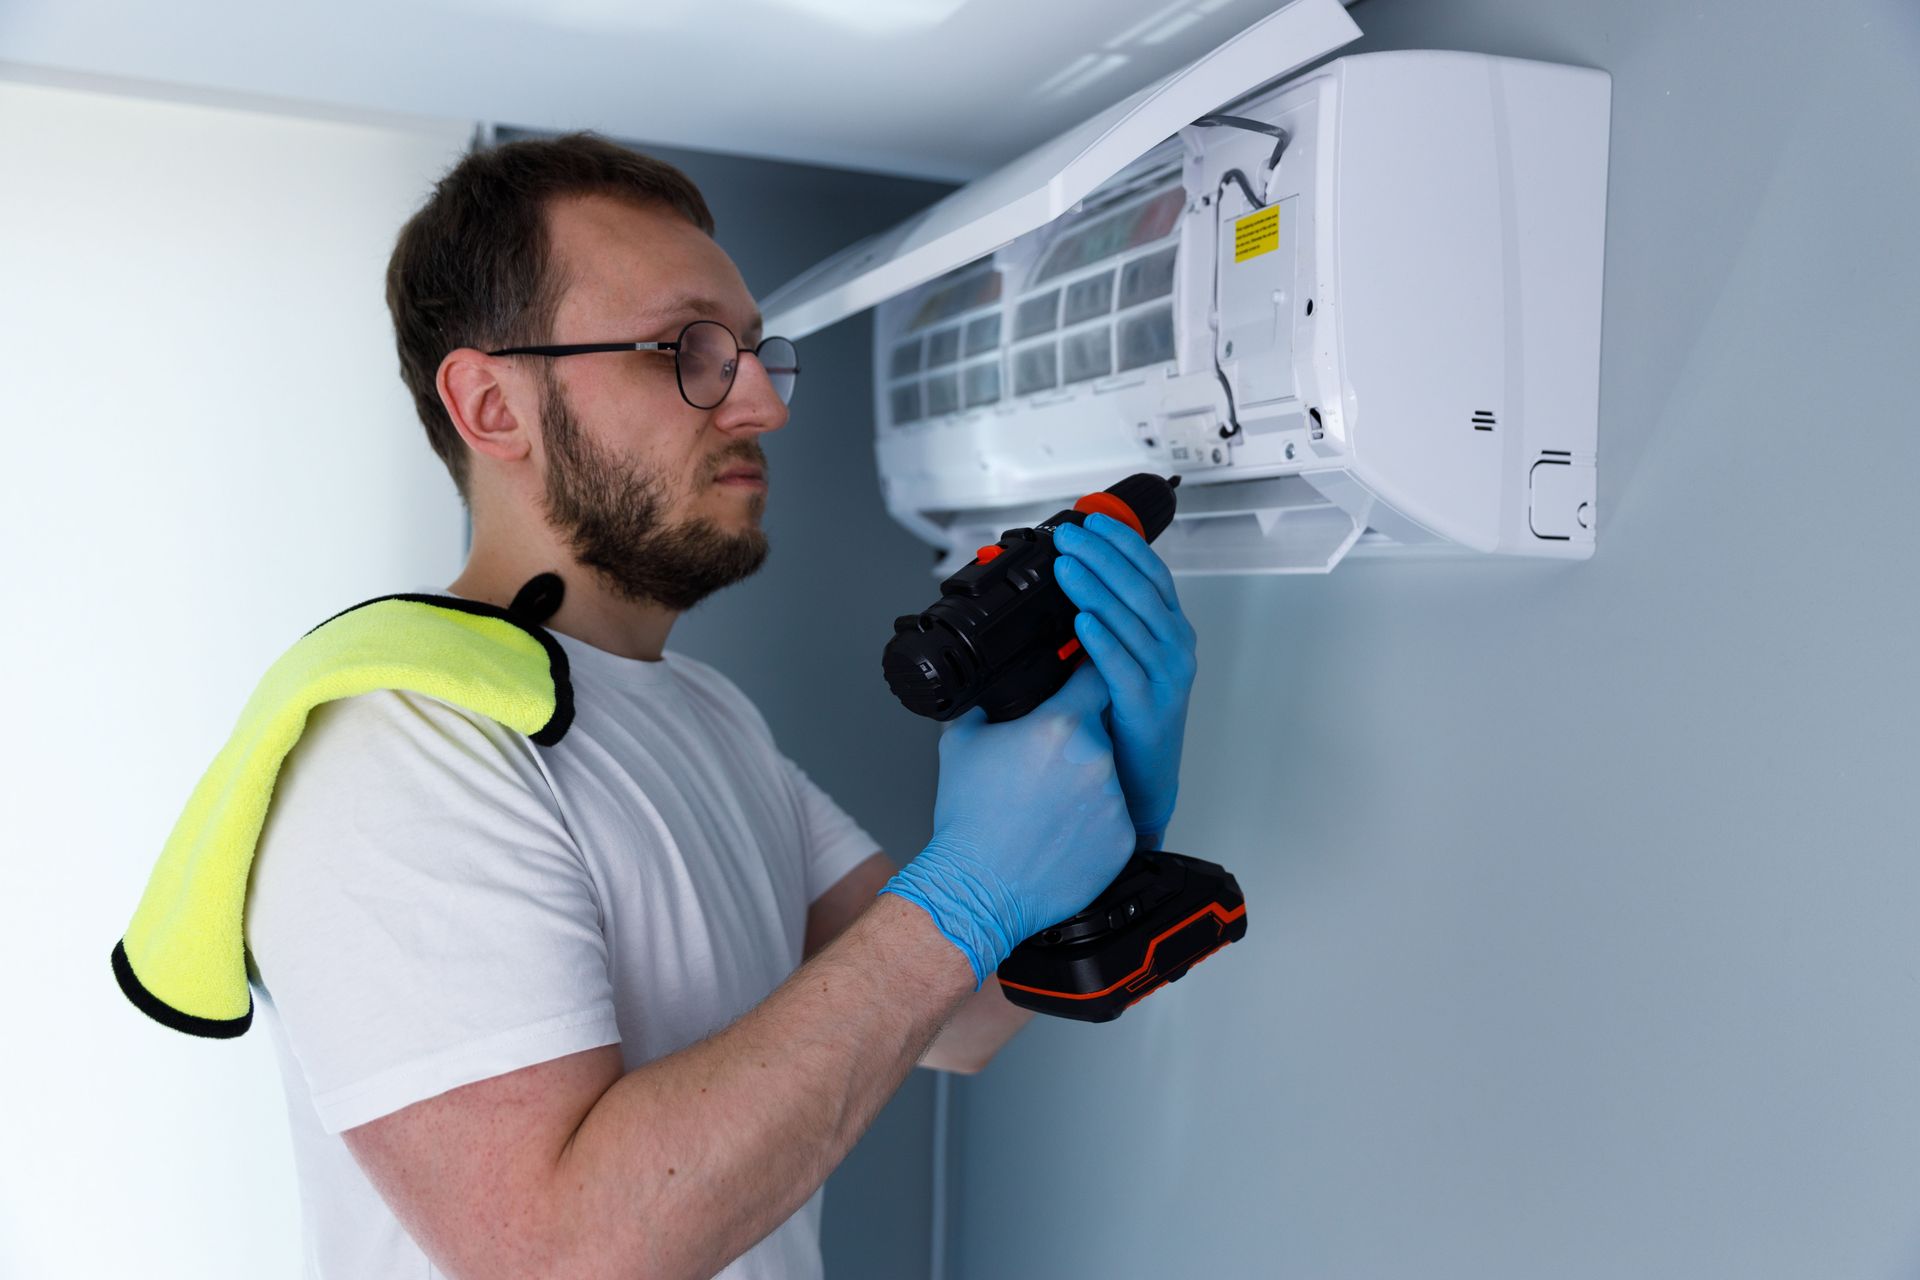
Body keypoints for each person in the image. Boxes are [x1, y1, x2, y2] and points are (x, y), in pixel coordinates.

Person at [245, 132, 1198, 1280]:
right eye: (686, 348)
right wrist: (964, 887)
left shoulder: (704, 713)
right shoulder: (403, 747)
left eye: (752, 350)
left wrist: (1104, 803)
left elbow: (961, 1013)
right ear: (492, 404)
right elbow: (558, 1254)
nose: (760, 403)